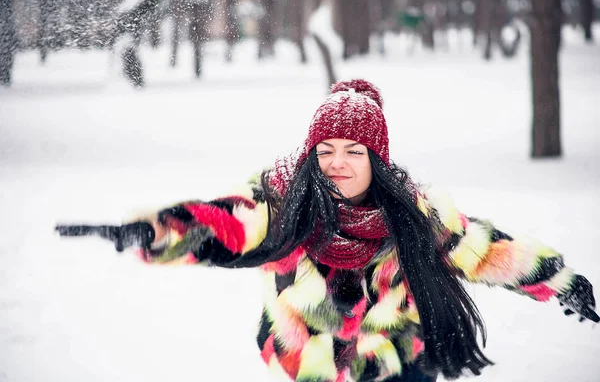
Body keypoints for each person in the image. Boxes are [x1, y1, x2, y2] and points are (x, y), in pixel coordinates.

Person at [56, 79, 599, 382]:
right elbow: (224, 223)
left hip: (399, 363)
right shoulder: (283, 203)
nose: (338, 162)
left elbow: (483, 251)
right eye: (327, 150)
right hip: (313, 364)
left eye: (354, 152)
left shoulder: (413, 215)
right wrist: (156, 232)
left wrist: (559, 280)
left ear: (376, 159)